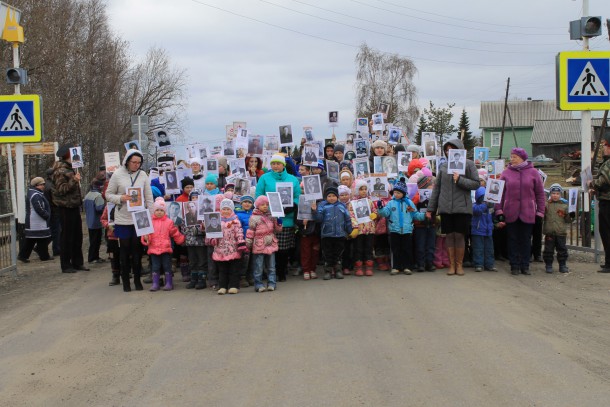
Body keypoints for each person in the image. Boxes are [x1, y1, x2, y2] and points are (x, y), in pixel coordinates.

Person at [426, 139, 480, 276]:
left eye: (451, 149)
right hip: (446, 208)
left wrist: (460, 179)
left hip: (462, 208)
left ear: (459, 150)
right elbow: (437, 189)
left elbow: (476, 184)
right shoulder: (443, 167)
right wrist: (431, 209)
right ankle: (451, 265)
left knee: (459, 236)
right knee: (449, 236)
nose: (448, 152)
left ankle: (459, 265)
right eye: (446, 150)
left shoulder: (469, 164)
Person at [105, 149, 154, 292]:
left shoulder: (143, 174)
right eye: (134, 162)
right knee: (125, 251)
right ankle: (126, 281)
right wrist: (121, 198)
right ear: (127, 161)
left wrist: (151, 218)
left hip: (140, 217)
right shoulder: (117, 174)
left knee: (138, 251)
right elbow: (108, 194)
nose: (136, 165)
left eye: (139, 163)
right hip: (123, 218)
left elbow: (149, 197)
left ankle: (138, 280)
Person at [495, 147, 545, 276]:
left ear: (522, 158)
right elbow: (499, 193)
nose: (512, 159)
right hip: (510, 211)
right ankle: (514, 265)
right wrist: (499, 210)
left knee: (526, 239)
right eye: (511, 157)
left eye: (514, 157)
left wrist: (540, 211)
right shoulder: (506, 173)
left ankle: (525, 265)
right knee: (512, 239)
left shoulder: (533, 172)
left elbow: (540, 193)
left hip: (528, 212)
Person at [377, 178, 425, 275]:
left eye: (399, 193)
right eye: (395, 192)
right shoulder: (391, 203)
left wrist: (424, 216)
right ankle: (396, 267)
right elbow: (385, 213)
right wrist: (380, 208)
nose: (396, 194)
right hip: (395, 230)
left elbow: (415, 214)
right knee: (395, 249)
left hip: (407, 230)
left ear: (404, 193)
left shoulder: (409, 202)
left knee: (406, 249)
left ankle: (407, 266)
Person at [52, 145, 88, 273]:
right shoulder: (60, 171)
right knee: (67, 236)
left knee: (77, 236)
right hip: (65, 207)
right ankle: (66, 264)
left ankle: (78, 262)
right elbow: (61, 189)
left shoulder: (71, 168)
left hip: (74, 205)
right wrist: (73, 180)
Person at [142, 198, 185, 291]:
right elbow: (146, 235)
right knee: (155, 266)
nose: (159, 212)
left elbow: (175, 233)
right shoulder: (150, 222)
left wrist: (181, 240)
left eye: (161, 210)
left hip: (166, 248)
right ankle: (155, 283)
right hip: (153, 248)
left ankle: (169, 283)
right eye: (157, 210)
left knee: (167, 265)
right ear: (154, 211)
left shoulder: (169, 222)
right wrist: (146, 238)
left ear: (165, 211)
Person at [205, 199, 247, 295]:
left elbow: (239, 232)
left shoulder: (235, 221)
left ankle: (233, 286)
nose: (226, 211)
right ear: (220, 210)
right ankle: (223, 286)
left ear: (232, 210)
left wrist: (241, 243)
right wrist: (213, 240)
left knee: (234, 269)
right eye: (224, 209)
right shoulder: (216, 221)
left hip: (233, 249)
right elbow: (211, 236)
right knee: (222, 270)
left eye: (228, 209)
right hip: (220, 250)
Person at [312, 186, 353, 280]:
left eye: (333, 196)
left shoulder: (341, 206)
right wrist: (314, 211)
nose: (331, 198)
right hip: (327, 235)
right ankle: (328, 271)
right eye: (329, 196)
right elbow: (318, 219)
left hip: (340, 234)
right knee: (327, 254)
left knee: (338, 254)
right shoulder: (322, 206)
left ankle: (338, 270)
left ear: (337, 196)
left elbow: (347, 219)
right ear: (326, 197)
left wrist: (349, 230)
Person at [246, 195, 282, 292]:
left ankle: (272, 283)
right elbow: (250, 232)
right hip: (259, 244)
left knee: (271, 266)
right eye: (263, 205)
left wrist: (279, 221)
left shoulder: (272, 216)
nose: (265, 206)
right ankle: (258, 284)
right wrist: (248, 243)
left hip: (270, 243)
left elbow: (278, 230)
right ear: (258, 205)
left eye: (267, 204)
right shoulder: (254, 218)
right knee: (258, 266)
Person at [588, 137, 610, 273]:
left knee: (607, 232)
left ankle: (609, 263)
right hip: (605, 200)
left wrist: (591, 183)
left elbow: (604, 180)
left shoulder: (609, 164)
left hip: (608, 202)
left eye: (605, 145)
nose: (604, 148)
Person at [18, 177, 52, 263]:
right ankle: (44, 256)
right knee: (42, 239)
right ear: (37, 185)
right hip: (37, 221)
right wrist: (46, 215)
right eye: (42, 184)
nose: (44, 186)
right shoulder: (35, 195)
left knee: (32, 239)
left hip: (35, 221)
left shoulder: (33, 193)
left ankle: (23, 255)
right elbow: (38, 208)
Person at [542, 184, 574, 273]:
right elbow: (542, 216)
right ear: (550, 194)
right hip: (549, 232)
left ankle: (562, 265)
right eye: (553, 193)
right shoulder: (547, 205)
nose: (555, 195)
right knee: (548, 250)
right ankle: (548, 265)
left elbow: (568, 220)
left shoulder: (564, 206)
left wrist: (572, 216)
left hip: (561, 232)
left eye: (557, 193)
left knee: (562, 249)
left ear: (560, 195)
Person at [349, 179, 377, 276]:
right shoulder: (352, 203)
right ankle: (359, 266)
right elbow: (351, 215)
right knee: (358, 248)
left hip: (369, 229)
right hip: (359, 230)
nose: (364, 191)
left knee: (368, 248)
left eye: (365, 189)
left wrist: (374, 214)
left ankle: (368, 266)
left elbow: (374, 210)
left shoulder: (369, 201)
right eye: (361, 189)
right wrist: (355, 227)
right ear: (357, 190)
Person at [471, 186, 496, 272]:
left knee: (489, 249)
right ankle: (478, 264)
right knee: (478, 249)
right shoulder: (475, 205)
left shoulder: (490, 206)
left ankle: (489, 264)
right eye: (482, 197)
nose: (484, 199)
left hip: (488, 231)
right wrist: (485, 205)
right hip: (477, 231)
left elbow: (492, 216)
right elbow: (477, 211)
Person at [84, 178, 106, 263]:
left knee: (92, 240)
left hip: (89, 221)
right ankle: (93, 257)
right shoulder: (98, 196)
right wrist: (105, 206)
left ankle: (93, 256)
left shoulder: (88, 194)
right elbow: (99, 208)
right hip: (96, 222)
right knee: (96, 241)